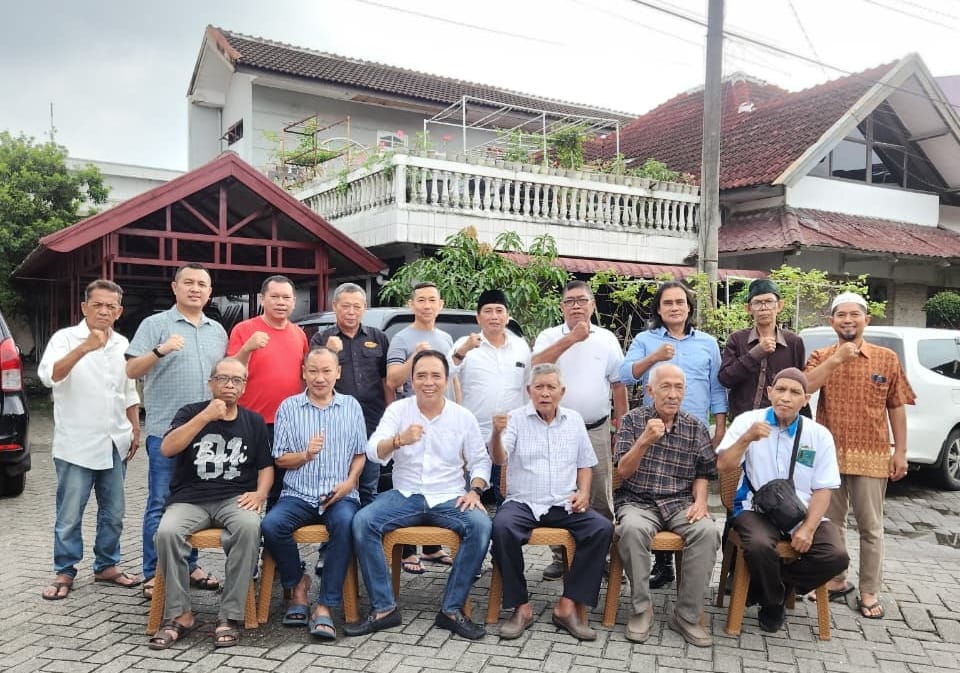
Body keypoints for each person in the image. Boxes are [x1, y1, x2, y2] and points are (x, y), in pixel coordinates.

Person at [345, 350, 492, 640]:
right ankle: (384, 608)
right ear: (410, 380)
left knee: (481, 525)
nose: (428, 382)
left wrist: (475, 490)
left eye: (436, 375)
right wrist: (399, 440)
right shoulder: (399, 411)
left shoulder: (463, 417)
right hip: (405, 494)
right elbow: (374, 450)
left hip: (450, 496)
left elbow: (480, 460)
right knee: (363, 521)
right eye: (421, 375)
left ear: (447, 380)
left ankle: (451, 610)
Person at [148, 358, 273, 650]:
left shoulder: (253, 421)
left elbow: (266, 466)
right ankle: (180, 614)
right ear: (211, 382)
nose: (229, 385)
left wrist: (260, 494)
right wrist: (204, 417)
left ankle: (229, 615)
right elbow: (167, 448)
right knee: (166, 533)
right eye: (223, 379)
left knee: (249, 528)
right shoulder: (190, 412)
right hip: (190, 498)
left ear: (244, 387)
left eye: (237, 380)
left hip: (235, 497)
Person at [804, 292, 915, 620]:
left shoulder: (886, 359)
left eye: (855, 314)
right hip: (829, 455)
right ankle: (836, 580)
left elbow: (897, 407)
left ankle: (869, 591)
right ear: (831, 322)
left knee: (871, 527)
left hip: (873, 453)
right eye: (841, 315)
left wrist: (901, 453)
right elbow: (805, 387)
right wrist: (837, 359)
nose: (848, 320)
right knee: (831, 523)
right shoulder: (822, 356)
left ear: (867, 320)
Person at [716, 368, 849, 632]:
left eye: (794, 392)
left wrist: (809, 528)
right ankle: (774, 601)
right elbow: (723, 465)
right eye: (780, 390)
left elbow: (824, 489)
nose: (786, 398)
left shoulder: (818, 435)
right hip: (755, 509)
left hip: (801, 511)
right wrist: (746, 439)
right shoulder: (749, 422)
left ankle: (766, 589)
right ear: (769, 392)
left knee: (835, 555)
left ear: (806, 398)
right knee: (758, 545)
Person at [489, 363, 613, 641]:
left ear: (562, 391)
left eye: (551, 387)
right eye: (539, 387)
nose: (545, 393)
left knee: (601, 528)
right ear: (529, 391)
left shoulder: (574, 420)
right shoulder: (515, 419)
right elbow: (499, 458)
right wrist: (496, 433)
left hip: (562, 502)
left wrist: (583, 493)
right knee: (501, 527)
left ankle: (567, 606)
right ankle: (520, 606)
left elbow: (585, 464)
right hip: (523, 502)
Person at [126, 262, 228, 599]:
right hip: (165, 432)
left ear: (210, 292)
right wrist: (160, 349)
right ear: (175, 287)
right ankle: (153, 573)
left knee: (194, 503)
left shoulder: (218, 330)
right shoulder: (155, 325)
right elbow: (130, 369)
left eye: (202, 284)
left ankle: (189, 564)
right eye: (189, 282)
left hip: (207, 435)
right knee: (160, 503)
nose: (195, 289)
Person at [619, 280, 727, 589]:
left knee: (688, 490)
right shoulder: (645, 339)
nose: (675, 307)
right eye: (668, 303)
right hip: (653, 426)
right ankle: (662, 562)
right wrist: (653, 357)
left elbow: (717, 387)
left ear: (689, 307)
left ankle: (680, 564)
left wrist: (719, 426)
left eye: (680, 302)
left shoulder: (707, 342)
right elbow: (625, 374)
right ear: (658, 308)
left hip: (691, 430)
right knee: (653, 487)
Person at [38, 279, 142, 600]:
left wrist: (135, 428)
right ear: (84, 307)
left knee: (114, 512)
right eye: (97, 304)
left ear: (119, 311)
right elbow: (49, 376)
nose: (104, 311)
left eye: (111, 306)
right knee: (70, 513)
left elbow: (128, 390)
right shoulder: (65, 338)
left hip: (115, 441)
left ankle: (107, 565)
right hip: (76, 443)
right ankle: (65, 570)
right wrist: (85, 347)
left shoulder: (122, 343)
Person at [260, 347, 367, 640]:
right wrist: (306, 455)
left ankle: (325, 605)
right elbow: (280, 458)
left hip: (339, 492)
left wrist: (349, 483)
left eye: (326, 371)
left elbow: (361, 454)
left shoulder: (351, 406)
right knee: (271, 525)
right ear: (303, 373)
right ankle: (298, 585)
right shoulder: (289, 407)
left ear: (338, 373)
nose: (320, 378)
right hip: (298, 493)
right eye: (313, 371)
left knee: (346, 525)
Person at [613, 363, 720, 647]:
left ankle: (686, 616)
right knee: (632, 529)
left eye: (678, 387)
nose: (672, 394)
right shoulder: (633, 421)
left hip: (679, 502)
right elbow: (622, 471)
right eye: (665, 387)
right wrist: (644, 441)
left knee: (708, 531)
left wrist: (700, 501)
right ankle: (641, 609)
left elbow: (704, 472)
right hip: (637, 500)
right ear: (650, 391)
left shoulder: (695, 426)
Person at [532, 279, 627, 580]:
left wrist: (620, 426)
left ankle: (602, 557)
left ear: (592, 305)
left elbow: (619, 383)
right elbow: (535, 365)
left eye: (582, 300)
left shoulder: (607, 339)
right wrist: (572, 338)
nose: (576, 305)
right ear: (562, 307)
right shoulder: (550, 335)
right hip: (553, 430)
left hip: (596, 428)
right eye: (570, 301)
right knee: (559, 494)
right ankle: (561, 556)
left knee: (599, 496)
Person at [385, 282, 456, 572]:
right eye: (421, 300)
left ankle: (431, 546)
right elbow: (392, 379)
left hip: (443, 420)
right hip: (413, 420)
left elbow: (454, 380)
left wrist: (459, 410)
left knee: (437, 478)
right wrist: (416, 356)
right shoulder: (402, 337)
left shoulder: (446, 336)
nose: (427, 305)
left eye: (432, 300)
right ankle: (404, 551)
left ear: (440, 304)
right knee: (408, 482)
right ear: (411, 304)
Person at [227, 275, 309, 508]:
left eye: (286, 297)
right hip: (250, 421)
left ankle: (271, 542)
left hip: (287, 422)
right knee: (247, 485)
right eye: (274, 297)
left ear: (294, 301)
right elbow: (230, 372)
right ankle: (246, 537)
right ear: (263, 299)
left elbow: (305, 376)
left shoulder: (299, 334)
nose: (281, 302)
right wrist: (247, 348)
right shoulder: (245, 330)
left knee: (279, 487)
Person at [311, 282, 393, 506]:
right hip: (334, 422)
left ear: (364, 308)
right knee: (334, 485)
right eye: (345, 306)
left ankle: (364, 535)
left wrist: (390, 413)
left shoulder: (379, 337)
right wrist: (329, 352)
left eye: (357, 307)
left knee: (368, 486)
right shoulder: (321, 339)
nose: (351, 312)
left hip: (371, 421)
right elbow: (313, 379)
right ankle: (335, 538)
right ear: (335, 306)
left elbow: (387, 380)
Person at [449, 289, 530, 505]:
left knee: (507, 501)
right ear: (478, 317)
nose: (494, 316)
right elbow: (444, 375)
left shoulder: (521, 347)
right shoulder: (464, 345)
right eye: (488, 311)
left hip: (510, 438)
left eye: (499, 310)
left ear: (507, 316)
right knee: (469, 501)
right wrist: (463, 351)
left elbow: (528, 388)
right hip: (473, 437)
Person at [719, 278, 806, 419]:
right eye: (758, 303)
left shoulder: (793, 342)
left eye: (769, 302)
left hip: (780, 421)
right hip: (743, 421)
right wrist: (755, 354)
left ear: (779, 305)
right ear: (748, 308)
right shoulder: (737, 339)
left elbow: (800, 383)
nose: (764, 308)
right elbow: (725, 379)